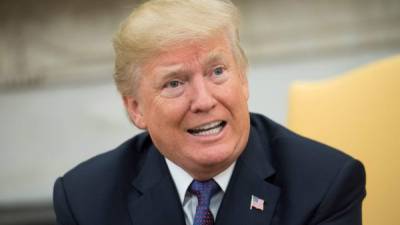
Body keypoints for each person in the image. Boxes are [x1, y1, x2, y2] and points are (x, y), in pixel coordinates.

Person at [53, 0, 366, 225]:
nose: (203, 100)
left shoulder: (325, 185)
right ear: (136, 108)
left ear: (243, 79)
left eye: (217, 71)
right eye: (174, 83)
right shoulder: (85, 199)